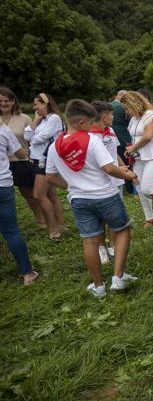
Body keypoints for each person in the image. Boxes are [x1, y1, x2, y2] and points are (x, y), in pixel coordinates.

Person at [46, 100, 137, 297]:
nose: (91, 127)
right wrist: (127, 175)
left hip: (79, 199)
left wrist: (71, 185)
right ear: (80, 123)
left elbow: (50, 176)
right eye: (89, 123)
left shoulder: (55, 147)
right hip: (105, 195)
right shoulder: (92, 140)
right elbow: (109, 168)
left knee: (89, 241)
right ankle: (118, 278)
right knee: (122, 230)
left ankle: (98, 287)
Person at [0, 119, 39, 285]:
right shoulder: (3, 130)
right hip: (2, 184)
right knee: (11, 231)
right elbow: (20, 153)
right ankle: (27, 273)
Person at [23, 92, 66, 241]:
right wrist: (36, 120)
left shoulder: (54, 118)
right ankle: (61, 225)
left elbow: (39, 138)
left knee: (38, 195)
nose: (34, 107)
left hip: (46, 160)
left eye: (36, 104)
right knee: (51, 194)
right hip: (37, 159)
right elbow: (27, 137)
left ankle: (54, 230)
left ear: (45, 103)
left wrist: (33, 139)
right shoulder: (42, 120)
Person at [0, 87, 44, 225]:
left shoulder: (24, 118)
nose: (3, 104)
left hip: (20, 161)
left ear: (13, 101)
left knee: (29, 194)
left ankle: (40, 217)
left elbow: (33, 139)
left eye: (7, 100)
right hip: (2, 163)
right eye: (0, 101)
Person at [90, 101, 126, 264]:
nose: (113, 117)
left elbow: (114, 153)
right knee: (100, 218)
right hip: (99, 183)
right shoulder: (91, 136)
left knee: (114, 215)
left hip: (116, 181)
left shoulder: (110, 131)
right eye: (111, 114)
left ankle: (112, 245)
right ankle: (100, 247)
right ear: (104, 117)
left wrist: (122, 165)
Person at [121, 91, 153, 226]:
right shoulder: (134, 118)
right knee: (139, 187)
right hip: (139, 157)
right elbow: (135, 136)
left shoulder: (151, 115)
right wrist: (131, 150)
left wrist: (133, 148)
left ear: (134, 104)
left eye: (127, 107)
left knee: (147, 188)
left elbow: (148, 136)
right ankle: (149, 218)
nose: (126, 111)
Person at [111, 90, 135, 195]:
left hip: (111, 139)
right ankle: (130, 187)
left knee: (116, 161)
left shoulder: (108, 106)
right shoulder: (124, 108)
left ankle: (120, 184)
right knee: (127, 163)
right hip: (125, 139)